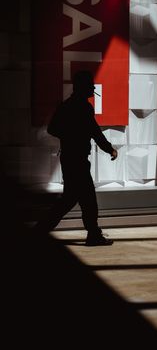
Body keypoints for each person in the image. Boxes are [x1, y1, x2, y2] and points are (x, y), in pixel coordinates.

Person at [34, 70, 118, 246]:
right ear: (84, 87)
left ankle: (41, 230)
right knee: (88, 199)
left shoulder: (65, 106)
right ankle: (93, 235)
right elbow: (95, 132)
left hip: (69, 159)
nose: (93, 89)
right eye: (91, 86)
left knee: (70, 199)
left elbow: (52, 129)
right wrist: (109, 149)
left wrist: (68, 135)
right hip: (78, 160)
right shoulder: (84, 108)